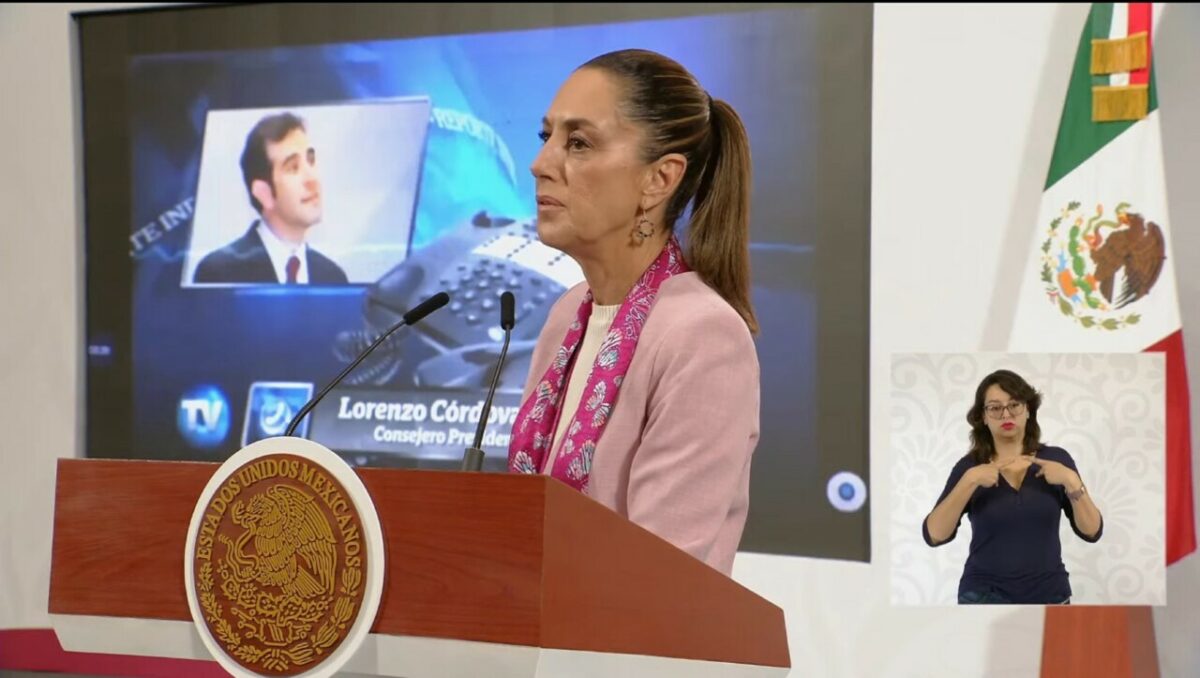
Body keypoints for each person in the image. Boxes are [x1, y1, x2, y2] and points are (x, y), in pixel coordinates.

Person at [506, 49, 759, 577]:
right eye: (545, 136)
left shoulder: (704, 334)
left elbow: (658, 573)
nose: (540, 164)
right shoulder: (567, 313)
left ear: (659, 179)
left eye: (578, 142)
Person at [923, 369, 1104, 604]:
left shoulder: (1058, 460)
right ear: (983, 417)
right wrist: (969, 481)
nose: (1006, 414)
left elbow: (1092, 531)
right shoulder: (969, 467)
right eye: (995, 408)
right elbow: (934, 535)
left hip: (1050, 594)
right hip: (982, 595)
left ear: (1028, 410)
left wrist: (1071, 481)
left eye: (1014, 405)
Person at [193, 112, 348, 285]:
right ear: (263, 193)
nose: (312, 178)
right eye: (293, 167)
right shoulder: (220, 274)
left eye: (310, 160)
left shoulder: (334, 278)